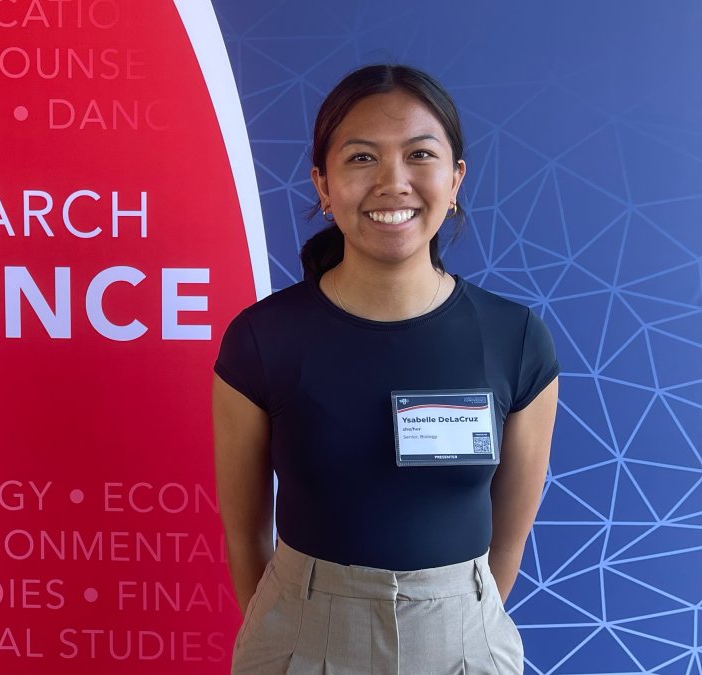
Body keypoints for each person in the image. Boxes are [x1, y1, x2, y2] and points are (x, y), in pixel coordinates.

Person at [213, 64, 559, 674]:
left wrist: (456, 623)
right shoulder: (262, 340)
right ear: (324, 185)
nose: (393, 182)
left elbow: (509, 537)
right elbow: (245, 535)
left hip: (464, 643)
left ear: (455, 180)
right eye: (362, 158)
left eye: (420, 154)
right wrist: (295, 632)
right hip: (302, 639)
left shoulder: (515, 339)